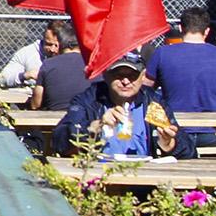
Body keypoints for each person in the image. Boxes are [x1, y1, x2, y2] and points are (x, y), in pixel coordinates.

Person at [55, 58, 197, 160]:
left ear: (143, 76)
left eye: (132, 75)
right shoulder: (89, 100)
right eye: (118, 75)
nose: (125, 81)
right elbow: (59, 142)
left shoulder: (153, 102)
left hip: (144, 180)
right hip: (99, 178)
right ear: (105, 74)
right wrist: (95, 127)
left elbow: (190, 151)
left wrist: (169, 144)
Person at [147, 8, 216, 148]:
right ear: (207, 31)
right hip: (213, 134)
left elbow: (145, 89)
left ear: (181, 28)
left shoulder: (162, 53)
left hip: (174, 133)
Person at [28, 22, 87, 111]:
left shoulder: (48, 64)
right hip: (89, 118)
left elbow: (35, 104)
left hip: (56, 121)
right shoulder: (94, 65)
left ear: (60, 44)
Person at [0, 19, 67, 88]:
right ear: (43, 39)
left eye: (56, 45)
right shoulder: (27, 53)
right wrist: (25, 75)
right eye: (48, 44)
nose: (52, 49)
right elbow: (2, 79)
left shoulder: (71, 55)